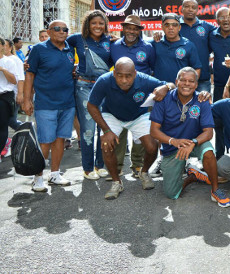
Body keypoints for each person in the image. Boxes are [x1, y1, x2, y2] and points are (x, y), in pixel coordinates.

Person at [87, 57, 173, 199]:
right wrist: (106, 131)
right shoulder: (104, 80)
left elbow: (170, 85)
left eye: (128, 76)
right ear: (114, 73)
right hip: (112, 115)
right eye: (119, 75)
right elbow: (91, 105)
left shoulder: (145, 80)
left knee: (152, 146)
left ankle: (144, 172)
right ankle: (116, 182)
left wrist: (166, 87)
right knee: (106, 145)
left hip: (138, 115)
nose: (124, 80)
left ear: (135, 73)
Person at [150, 67, 230, 207]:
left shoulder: (202, 100)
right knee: (171, 193)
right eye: (183, 80)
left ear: (196, 84)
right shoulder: (163, 99)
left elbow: (209, 132)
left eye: (191, 81)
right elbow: (154, 131)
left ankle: (215, 190)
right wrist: (173, 141)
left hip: (195, 142)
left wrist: (193, 142)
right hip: (173, 146)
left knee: (209, 152)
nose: (187, 84)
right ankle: (192, 176)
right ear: (176, 81)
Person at [23, 20, 76, 192]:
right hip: (46, 103)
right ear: (49, 31)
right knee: (45, 141)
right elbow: (30, 75)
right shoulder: (39, 49)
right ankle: (38, 177)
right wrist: (26, 100)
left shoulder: (69, 49)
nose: (62, 32)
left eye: (65, 29)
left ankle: (55, 174)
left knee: (60, 139)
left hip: (67, 103)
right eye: (57, 29)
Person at [66, 10, 112, 180]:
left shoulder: (109, 40)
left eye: (101, 23)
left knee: (104, 127)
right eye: (94, 23)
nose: (98, 26)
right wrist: (72, 65)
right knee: (88, 129)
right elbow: (61, 49)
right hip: (84, 86)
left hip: (103, 88)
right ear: (87, 24)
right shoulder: (77, 38)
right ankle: (87, 168)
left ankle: (100, 165)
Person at [110, 15, 156, 178]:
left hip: (141, 95)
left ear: (139, 31)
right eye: (128, 27)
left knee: (141, 130)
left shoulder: (148, 47)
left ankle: (137, 164)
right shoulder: (114, 46)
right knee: (119, 129)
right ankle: (118, 166)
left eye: (135, 28)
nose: (131, 31)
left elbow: (152, 68)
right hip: (119, 93)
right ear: (123, 28)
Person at [209, 7, 230, 160]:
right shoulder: (211, 35)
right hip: (220, 86)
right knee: (218, 121)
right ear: (217, 21)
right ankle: (220, 155)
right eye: (222, 17)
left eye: (228, 17)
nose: (226, 20)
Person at [152, 13, 202, 82]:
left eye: (174, 25)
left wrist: (190, 84)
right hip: (159, 89)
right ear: (162, 27)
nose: (170, 28)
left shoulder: (189, 45)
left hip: (180, 90)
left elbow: (197, 68)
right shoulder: (155, 43)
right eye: (167, 25)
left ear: (179, 27)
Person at [179, 0, 215, 92]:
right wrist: (157, 35)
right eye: (187, 6)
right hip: (181, 80)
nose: (190, 9)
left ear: (197, 10)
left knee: (203, 105)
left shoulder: (207, 26)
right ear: (182, 9)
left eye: (193, 7)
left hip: (202, 79)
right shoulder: (175, 25)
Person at [0, 37, 17, 159]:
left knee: (2, 125)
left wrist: (2, 70)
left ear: (2, 46)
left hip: (4, 97)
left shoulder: (9, 62)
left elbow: (14, 80)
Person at [4, 39, 24, 131]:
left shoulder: (15, 60)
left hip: (13, 95)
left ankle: (28, 132)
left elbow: (20, 78)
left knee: (11, 121)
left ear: (10, 47)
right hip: (3, 95)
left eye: (4, 45)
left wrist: (20, 94)